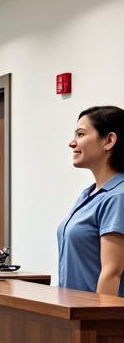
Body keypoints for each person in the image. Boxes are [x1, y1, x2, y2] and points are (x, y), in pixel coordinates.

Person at [57, 105, 124, 295]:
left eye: (80, 134)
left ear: (109, 140)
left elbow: (111, 274)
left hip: (94, 320)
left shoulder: (118, 196)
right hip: (72, 313)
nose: (72, 143)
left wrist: (97, 322)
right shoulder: (88, 195)